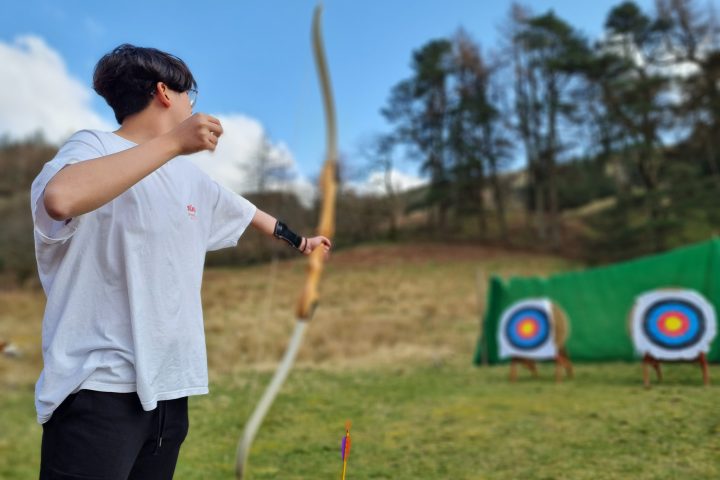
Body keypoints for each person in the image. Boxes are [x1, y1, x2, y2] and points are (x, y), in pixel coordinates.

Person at [30, 43, 331, 479]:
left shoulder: (190, 178)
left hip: (170, 393)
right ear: (164, 93)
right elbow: (60, 199)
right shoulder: (89, 148)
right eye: (190, 94)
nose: (193, 105)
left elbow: (248, 213)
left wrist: (301, 242)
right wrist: (173, 142)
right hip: (99, 391)